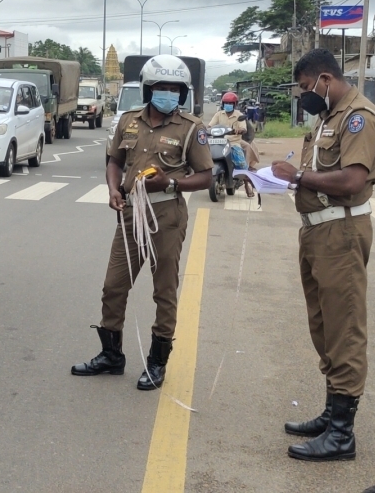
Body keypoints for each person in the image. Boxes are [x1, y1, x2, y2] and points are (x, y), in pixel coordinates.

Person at [71, 55, 214, 390]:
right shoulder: (128, 121)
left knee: (164, 290)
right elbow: (114, 161)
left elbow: (206, 176)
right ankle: (111, 355)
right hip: (131, 213)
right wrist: (112, 189)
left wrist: (172, 183)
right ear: (149, 89)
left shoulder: (191, 128)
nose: (168, 94)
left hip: (167, 214)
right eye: (162, 87)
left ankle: (157, 361)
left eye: (175, 89)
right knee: (113, 286)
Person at [270, 49, 375, 462]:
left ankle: (341, 435)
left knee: (344, 329)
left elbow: (353, 180)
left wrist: (298, 176)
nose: (305, 95)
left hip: (342, 231)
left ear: (324, 79)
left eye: (305, 87)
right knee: (323, 325)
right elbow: (319, 174)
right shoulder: (328, 118)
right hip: (318, 231)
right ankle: (332, 410)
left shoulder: (359, 117)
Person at [208, 92, 260, 196]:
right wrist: (207, 130)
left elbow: (243, 128)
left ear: (234, 104)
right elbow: (210, 126)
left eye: (230, 103)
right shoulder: (219, 114)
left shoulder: (239, 115)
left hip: (234, 142)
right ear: (223, 104)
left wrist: (239, 130)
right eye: (226, 103)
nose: (228, 105)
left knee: (241, 164)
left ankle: (247, 184)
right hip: (219, 141)